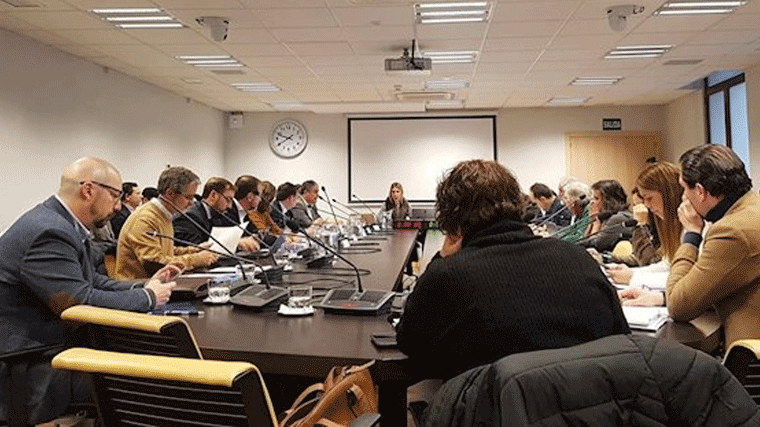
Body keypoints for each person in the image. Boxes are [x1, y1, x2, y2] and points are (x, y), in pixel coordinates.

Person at [395, 159, 629, 379]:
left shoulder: (447, 276)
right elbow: (622, 340)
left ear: (453, 221)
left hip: (493, 406)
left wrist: (441, 259)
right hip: (588, 403)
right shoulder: (579, 259)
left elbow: (410, 342)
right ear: (518, 204)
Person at [0, 158, 178, 424]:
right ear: (88, 190)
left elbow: (90, 281)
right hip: (33, 364)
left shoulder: (61, 223)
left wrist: (143, 285)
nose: (118, 206)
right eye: (115, 196)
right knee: (150, 386)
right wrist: (148, 298)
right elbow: (77, 303)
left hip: (57, 347)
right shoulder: (49, 231)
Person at [620, 145, 760, 349]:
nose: (684, 197)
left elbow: (679, 307)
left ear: (700, 191)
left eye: (685, 189)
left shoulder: (731, 231)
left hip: (746, 357)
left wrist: (691, 234)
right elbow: (710, 287)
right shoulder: (750, 208)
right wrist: (661, 298)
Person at [115, 166, 219, 279]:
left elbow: (166, 251)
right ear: (170, 193)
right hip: (138, 285)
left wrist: (196, 249)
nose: (192, 203)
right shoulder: (145, 218)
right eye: (188, 197)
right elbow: (154, 263)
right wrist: (196, 259)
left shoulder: (163, 215)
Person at [605, 163, 684, 287]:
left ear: (668, 194)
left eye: (649, 198)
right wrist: (632, 272)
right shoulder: (671, 225)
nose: (646, 205)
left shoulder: (690, 225)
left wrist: (633, 278)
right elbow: (667, 265)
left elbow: (683, 277)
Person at [172, 177, 259, 253]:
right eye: (228, 199)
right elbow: (196, 248)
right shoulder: (189, 216)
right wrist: (236, 243)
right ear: (213, 195)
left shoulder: (218, 215)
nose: (230, 206)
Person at [577, 179, 634, 252]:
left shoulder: (618, 218)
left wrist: (595, 223)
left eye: (596, 198)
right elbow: (585, 240)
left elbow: (596, 245)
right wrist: (591, 222)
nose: (592, 202)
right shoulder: (606, 216)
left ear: (609, 200)